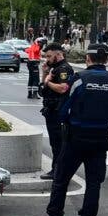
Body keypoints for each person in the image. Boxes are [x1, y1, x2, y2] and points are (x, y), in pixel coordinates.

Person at [39, 44, 108, 216]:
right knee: (94, 184)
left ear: (87, 58)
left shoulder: (79, 80)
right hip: (100, 137)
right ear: (105, 60)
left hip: (75, 136)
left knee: (61, 179)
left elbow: (63, 110)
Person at [38, 42, 75, 179]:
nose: (47, 59)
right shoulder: (53, 69)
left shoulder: (64, 69)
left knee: (59, 144)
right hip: (51, 110)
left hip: (58, 112)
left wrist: (48, 82)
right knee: (55, 143)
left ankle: (58, 171)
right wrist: (45, 74)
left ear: (58, 54)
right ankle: (57, 170)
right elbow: (42, 90)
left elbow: (63, 88)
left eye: (49, 56)